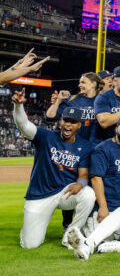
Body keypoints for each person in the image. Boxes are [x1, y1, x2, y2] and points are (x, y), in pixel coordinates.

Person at [13, 89, 95, 249]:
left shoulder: (84, 146)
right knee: (30, 244)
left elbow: (84, 173)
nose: (68, 124)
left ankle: (70, 235)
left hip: (65, 193)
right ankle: (28, 230)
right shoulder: (46, 136)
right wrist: (18, 106)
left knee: (88, 194)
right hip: (40, 194)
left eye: (72, 122)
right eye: (65, 120)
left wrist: (82, 183)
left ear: (79, 125)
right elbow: (24, 125)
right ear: (60, 122)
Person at [86, 115, 120, 233]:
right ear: (116, 129)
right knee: (100, 244)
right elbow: (96, 179)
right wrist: (103, 207)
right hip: (103, 208)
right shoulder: (102, 149)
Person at [45, 71, 102, 141]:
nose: (79, 85)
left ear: (93, 84)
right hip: (72, 144)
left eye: (83, 82)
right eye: (80, 82)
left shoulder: (103, 101)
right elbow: (49, 117)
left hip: (93, 145)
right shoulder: (72, 99)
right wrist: (58, 101)